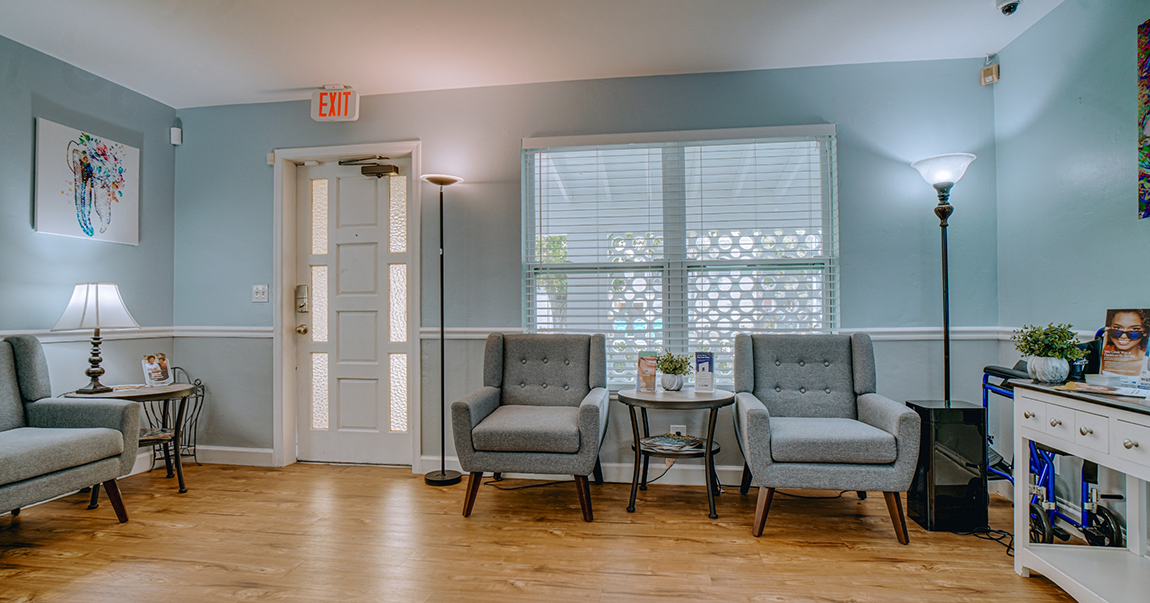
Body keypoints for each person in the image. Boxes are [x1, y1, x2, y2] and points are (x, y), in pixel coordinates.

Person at [1101, 309, 1149, 377]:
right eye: (1117, 328)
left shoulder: (1146, 362)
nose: (1123, 336)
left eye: (1134, 329)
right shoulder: (1101, 358)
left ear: (1145, 332)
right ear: (1108, 329)